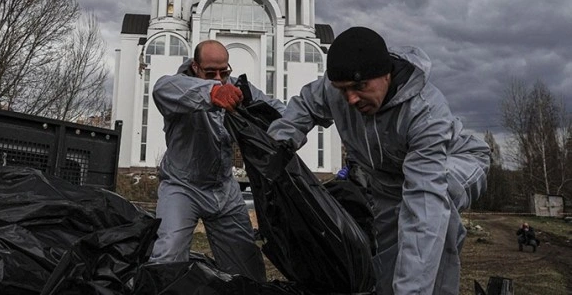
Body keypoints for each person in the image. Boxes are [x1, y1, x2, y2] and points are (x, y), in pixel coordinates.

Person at [267, 27, 491, 294]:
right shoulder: (336, 90)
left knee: (437, 215)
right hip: (388, 182)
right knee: (387, 255)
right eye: (343, 90)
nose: (350, 99)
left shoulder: (424, 112)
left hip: (455, 162)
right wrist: (280, 142)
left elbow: (424, 205)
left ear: (386, 74)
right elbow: (305, 105)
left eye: (360, 87)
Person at [150, 39, 285, 282]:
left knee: (248, 268)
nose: (218, 78)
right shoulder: (179, 87)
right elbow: (161, 89)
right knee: (167, 257)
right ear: (195, 67)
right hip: (182, 188)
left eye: (224, 72)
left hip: (225, 190)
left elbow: (273, 108)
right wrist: (212, 93)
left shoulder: (235, 88)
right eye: (210, 72)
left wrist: (296, 124)